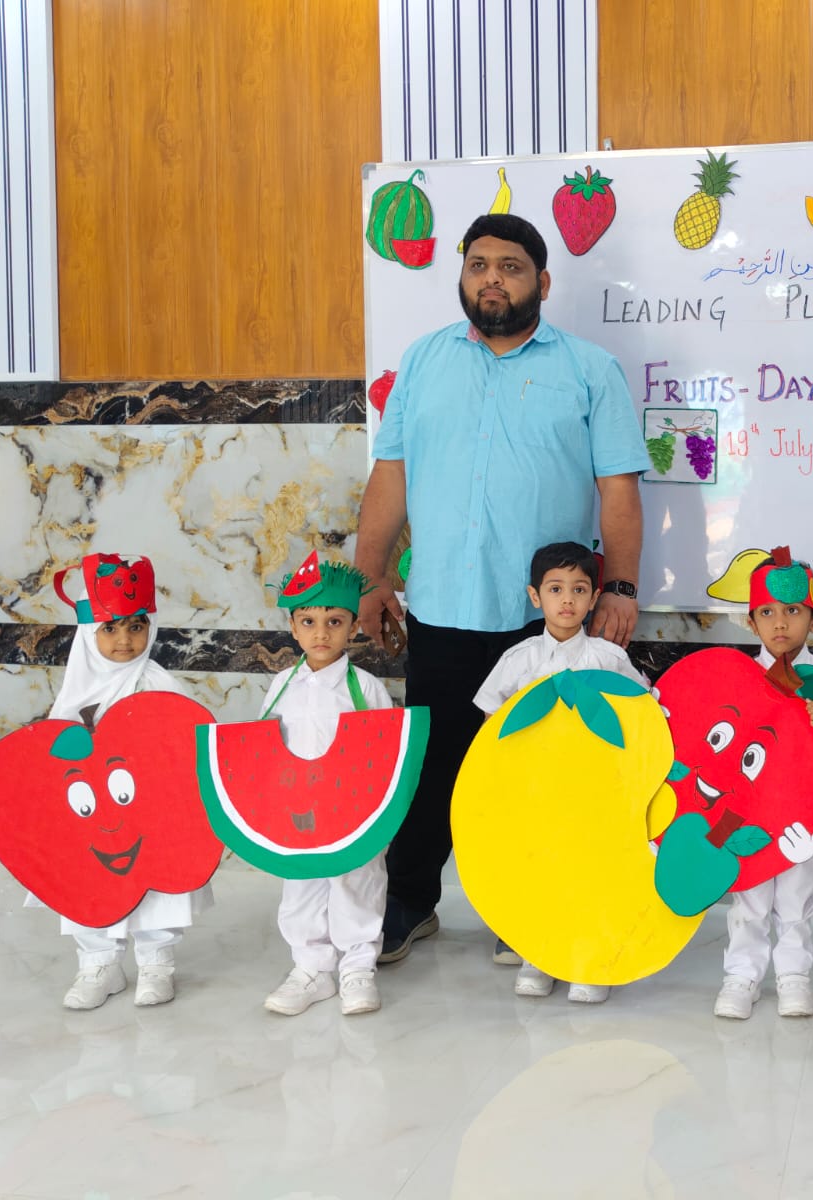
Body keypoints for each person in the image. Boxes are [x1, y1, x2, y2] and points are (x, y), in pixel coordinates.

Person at [353, 213, 651, 965]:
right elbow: (391, 475)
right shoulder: (422, 361)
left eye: (511, 267)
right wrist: (373, 575)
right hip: (443, 608)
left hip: (548, 621)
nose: (492, 278)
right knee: (430, 771)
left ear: (542, 283)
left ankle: (525, 908)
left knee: (538, 772)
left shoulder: (591, 370)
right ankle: (411, 902)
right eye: (478, 264)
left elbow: (618, 488)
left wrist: (619, 585)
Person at [0, 553, 212, 1010]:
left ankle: (156, 962)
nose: (125, 639)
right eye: (110, 628)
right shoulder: (73, 694)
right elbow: (47, 772)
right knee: (85, 876)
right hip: (91, 819)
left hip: (148, 816)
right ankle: (98, 963)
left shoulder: (159, 688)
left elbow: (187, 749)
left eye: (136, 626)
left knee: (158, 886)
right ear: (88, 632)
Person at [473, 540, 650, 1003]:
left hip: (595, 791)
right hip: (536, 791)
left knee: (591, 869)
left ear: (594, 598)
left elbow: (643, 714)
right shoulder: (518, 660)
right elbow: (492, 726)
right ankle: (540, 953)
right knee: (541, 867)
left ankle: (591, 959)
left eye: (578, 589)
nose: (567, 600)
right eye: (555, 589)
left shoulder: (610, 659)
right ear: (535, 597)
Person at [713, 549, 813, 1021]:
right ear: (751, 622)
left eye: (793, 611)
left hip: (803, 811)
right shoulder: (740, 678)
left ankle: (794, 975)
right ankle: (742, 975)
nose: (780, 623)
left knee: (797, 894)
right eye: (767, 612)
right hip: (750, 810)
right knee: (750, 893)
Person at [259, 552, 394, 1017]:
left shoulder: (368, 689)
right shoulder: (281, 686)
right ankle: (311, 969)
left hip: (355, 809)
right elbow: (265, 746)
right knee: (302, 884)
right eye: (309, 622)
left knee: (357, 881)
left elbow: (385, 753)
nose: (321, 633)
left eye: (334, 621)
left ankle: (358, 968)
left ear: (353, 627)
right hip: (298, 809)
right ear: (293, 628)